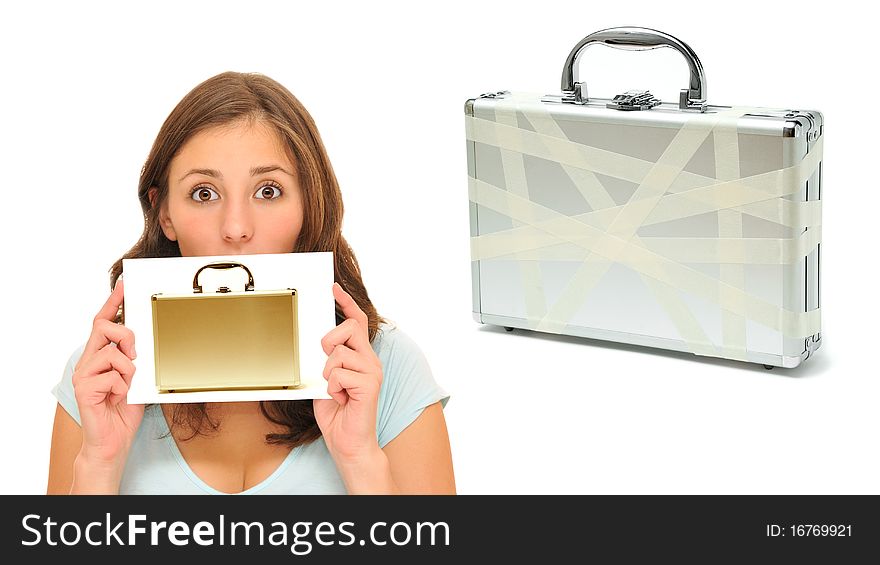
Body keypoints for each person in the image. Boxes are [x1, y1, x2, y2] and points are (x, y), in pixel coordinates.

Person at [46, 72, 455, 495]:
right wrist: (98, 464)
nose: (236, 228)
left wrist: (360, 461)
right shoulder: (100, 378)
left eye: (268, 190)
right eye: (204, 193)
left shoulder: (387, 367)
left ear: (308, 205)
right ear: (164, 213)